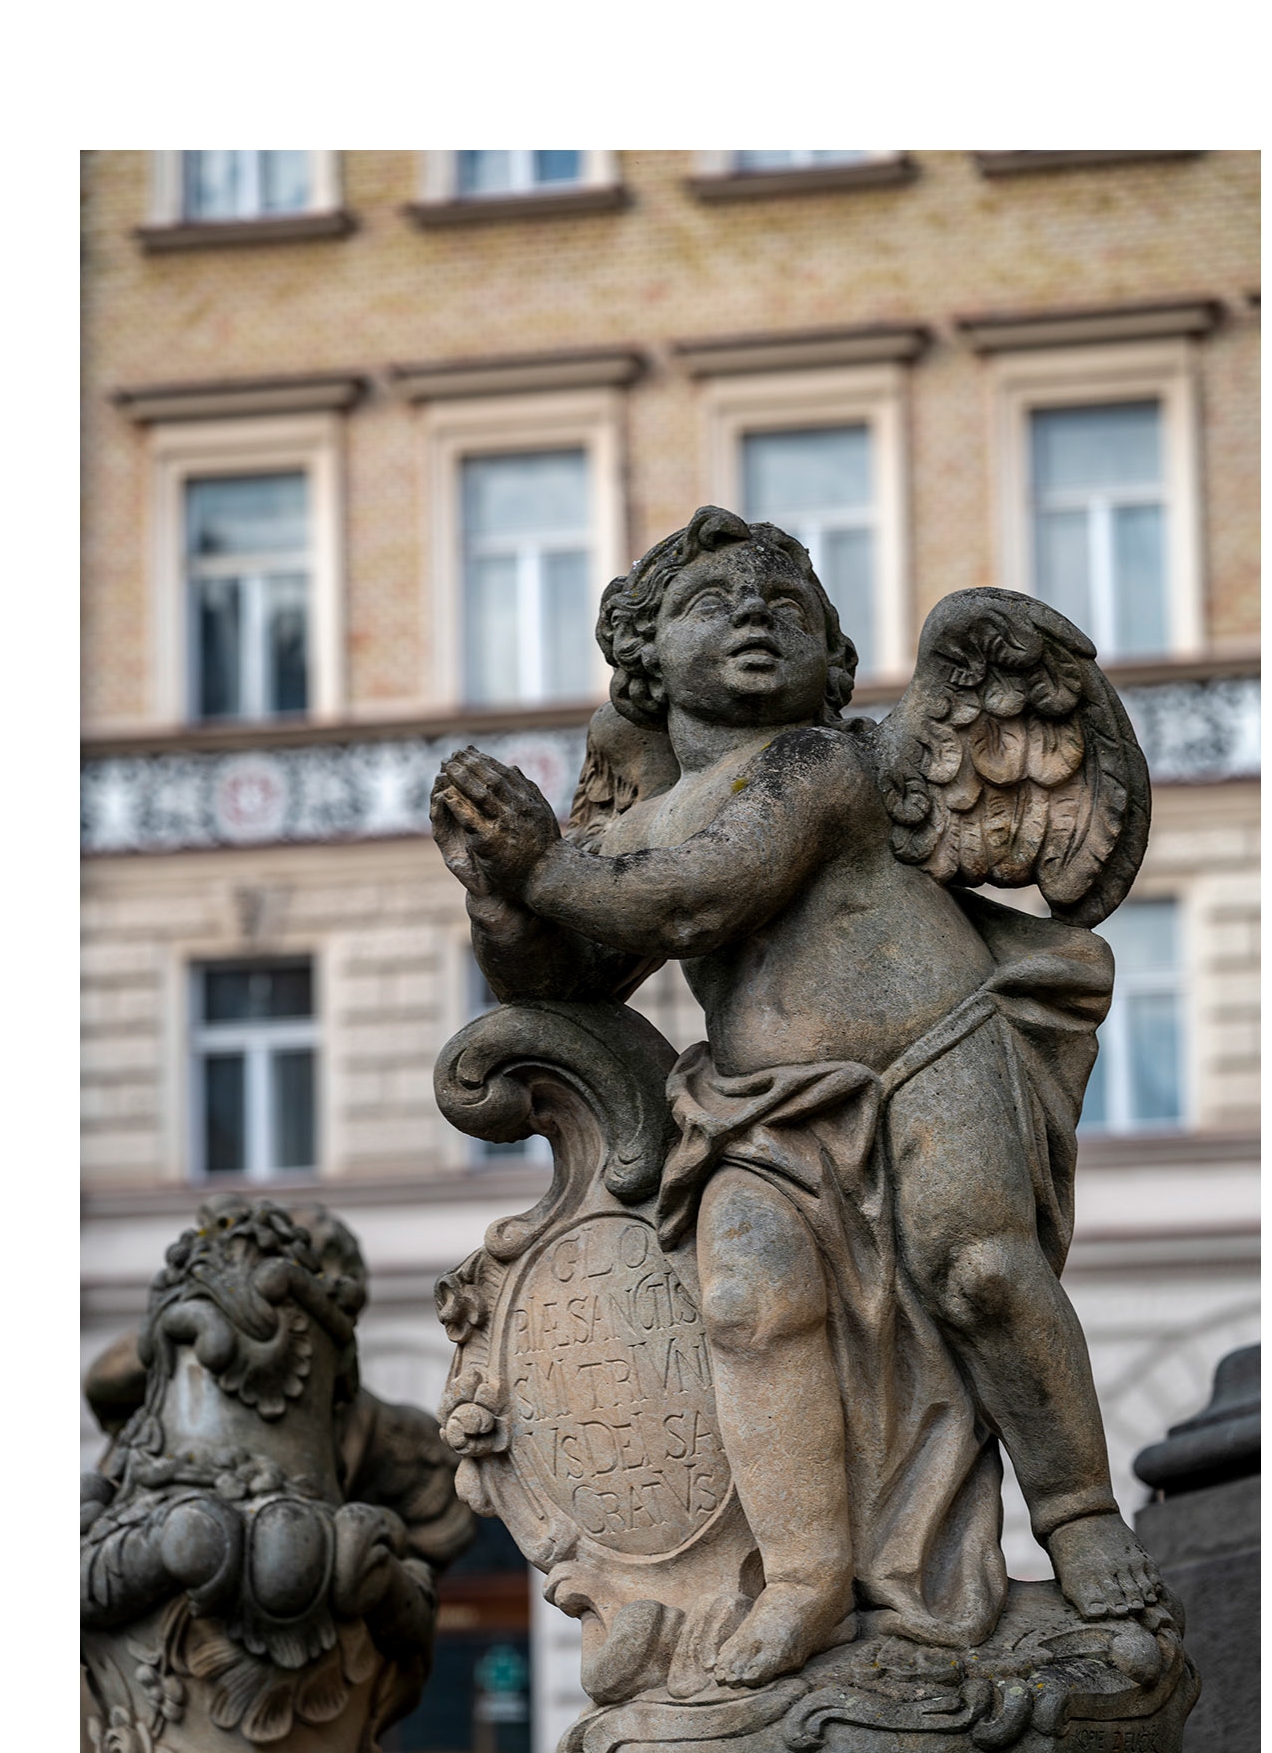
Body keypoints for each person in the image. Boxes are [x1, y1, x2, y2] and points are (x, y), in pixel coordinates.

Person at [431, 506, 1162, 1691]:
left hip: (926, 1055)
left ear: (829, 657)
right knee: (745, 1305)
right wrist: (497, 897)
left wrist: (545, 865)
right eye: (709, 604)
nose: (753, 619)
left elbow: (699, 896)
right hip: (757, 1109)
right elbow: (563, 977)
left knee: (980, 1269)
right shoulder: (639, 819)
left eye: (785, 605)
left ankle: (1080, 1517)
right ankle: (806, 1575)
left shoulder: (819, 766)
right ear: (645, 659)